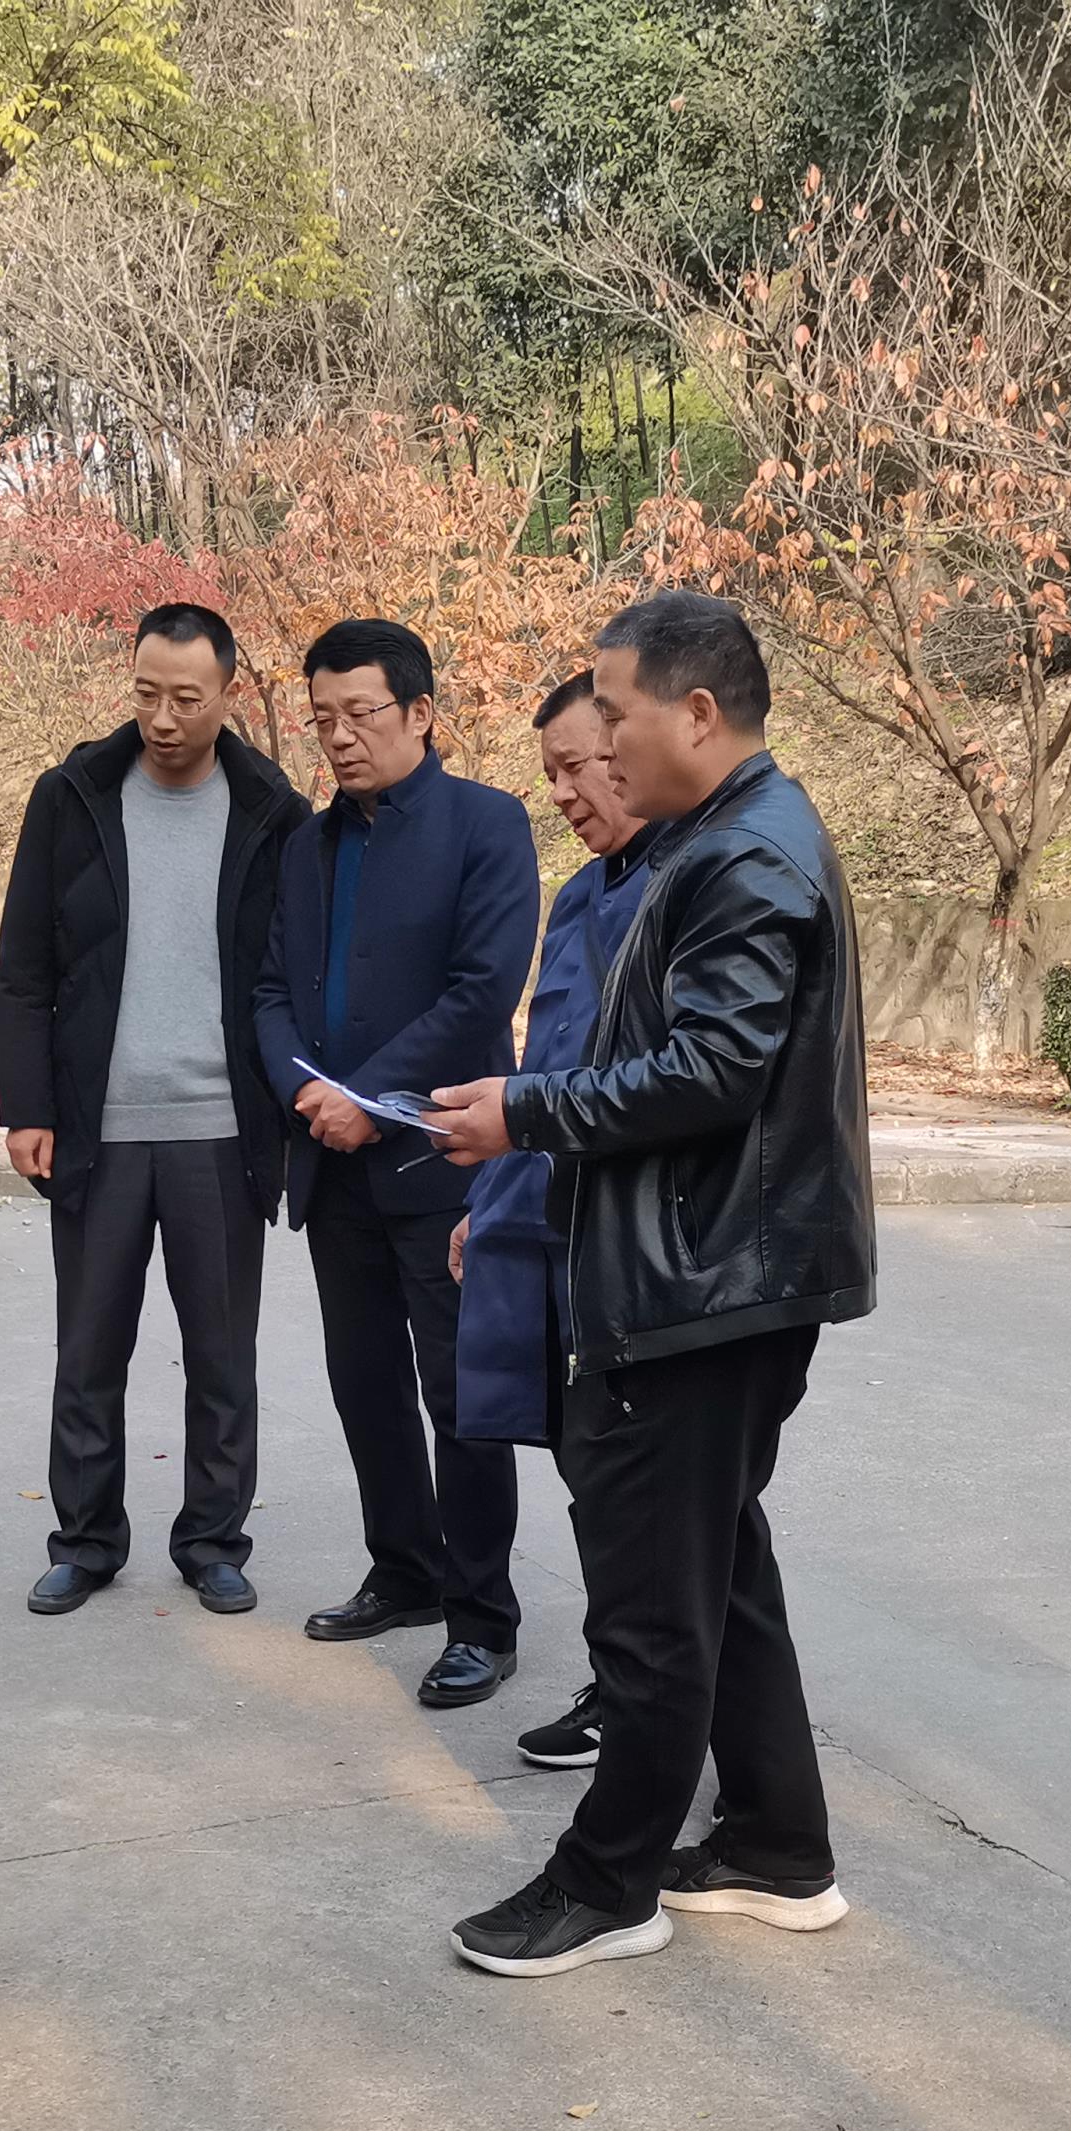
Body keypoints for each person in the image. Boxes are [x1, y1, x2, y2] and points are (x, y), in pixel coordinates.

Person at [424, 592, 874, 1978]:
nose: (602, 746)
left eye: (614, 715)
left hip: (701, 1283)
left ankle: (608, 1882)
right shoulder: (722, 839)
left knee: (651, 1605)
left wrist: (524, 1114)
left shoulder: (744, 856)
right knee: (716, 1573)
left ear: (697, 712)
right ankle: (777, 1845)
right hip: (716, 1270)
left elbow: (711, 1071)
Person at [250, 618, 542, 1707]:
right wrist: (302, 1091)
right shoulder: (307, 846)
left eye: (359, 713)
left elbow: (482, 990)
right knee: (364, 1382)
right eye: (321, 718)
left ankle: (482, 1615)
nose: (339, 736)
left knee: (459, 1395)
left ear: (420, 712)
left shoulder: (486, 824)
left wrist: (368, 1099)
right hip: (331, 1163)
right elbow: (270, 990)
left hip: (438, 1161)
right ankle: (404, 1569)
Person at [0, 602, 305, 1617]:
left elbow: (288, 975)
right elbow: (24, 967)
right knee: (88, 1350)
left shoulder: (271, 810)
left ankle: (212, 1539)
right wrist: (27, 1105)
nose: (163, 718)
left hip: (223, 1126)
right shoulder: (73, 796)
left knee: (221, 1356)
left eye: (186, 698)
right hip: (100, 1127)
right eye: (146, 694)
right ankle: (85, 1540)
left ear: (226, 693)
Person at [454, 672, 665, 1773]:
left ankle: (650, 1703)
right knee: (591, 1476)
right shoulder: (582, 894)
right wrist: (488, 1206)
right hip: (552, 1223)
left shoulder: (685, 889)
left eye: (580, 765)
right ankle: (622, 1683)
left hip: (642, 1248)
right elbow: (540, 1066)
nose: (568, 794)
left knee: (651, 1500)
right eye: (552, 777)